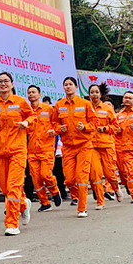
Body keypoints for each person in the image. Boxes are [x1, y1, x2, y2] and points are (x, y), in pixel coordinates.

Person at [0, 72, 33, 235]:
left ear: (12, 84)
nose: (3, 84)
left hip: (17, 150)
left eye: (6, 81)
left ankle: (12, 224)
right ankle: (24, 204)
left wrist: (26, 122)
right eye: (0, 81)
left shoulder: (20, 102)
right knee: (4, 187)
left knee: (13, 186)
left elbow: (32, 117)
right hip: (0, 151)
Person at [54, 77, 95, 217]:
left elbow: (94, 123)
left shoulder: (85, 104)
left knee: (81, 177)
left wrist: (85, 127)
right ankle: (77, 195)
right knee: (69, 179)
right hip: (67, 146)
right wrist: (60, 128)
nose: (68, 87)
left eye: (70, 84)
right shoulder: (59, 105)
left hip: (84, 145)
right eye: (65, 84)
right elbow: (54, 123)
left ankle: (82, 208)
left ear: (76, 87)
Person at [26, 85, 62, 212]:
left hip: (46, 148)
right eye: (29, 92)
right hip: (32, 150)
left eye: (33, 92)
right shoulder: (27, 111)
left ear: (39, 94)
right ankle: (45, 202)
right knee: (36, 179)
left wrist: (54, 131)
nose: (31, 94)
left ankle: (55, 192)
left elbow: (57, 124)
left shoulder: (49, 109)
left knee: (46, 174)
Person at [87, 83, 122, 210]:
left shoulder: (107, 109)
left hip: (106, 145)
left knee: (109, 173)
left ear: (101, 94)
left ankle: (116, 188)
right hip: (92, 146)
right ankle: (100, 201)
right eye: (92, 92)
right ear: (89, 94)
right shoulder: (86, 108)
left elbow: (116, 127)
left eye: (96, 92)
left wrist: (105, 129)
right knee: (95, 174)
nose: (94, 94)